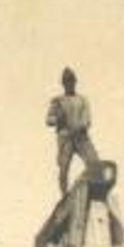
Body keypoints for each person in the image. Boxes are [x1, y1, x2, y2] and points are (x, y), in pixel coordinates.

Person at [46, 67, 99, 195]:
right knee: (64, 168)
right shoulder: (58, 101)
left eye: (71, 81)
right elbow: (49, 120)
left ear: (75, 82)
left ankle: (95, 188)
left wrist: (81, 126)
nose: (69, 84)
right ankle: (64, 194)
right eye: (66, 81)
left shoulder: (82, 100)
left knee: (94, 163)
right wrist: (58, 118)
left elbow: (87, 119)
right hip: (66, 137)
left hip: (81, 137)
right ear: (63, 84)